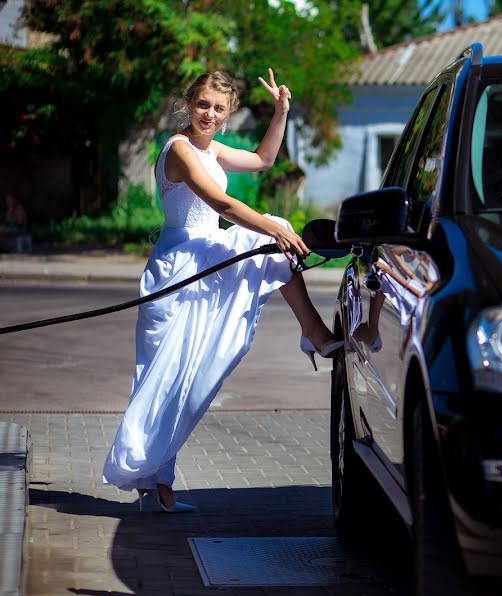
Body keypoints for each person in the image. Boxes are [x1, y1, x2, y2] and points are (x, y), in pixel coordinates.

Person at [101, 69, 342, 512]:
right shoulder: (179, 149)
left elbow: (265, 159)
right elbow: (221, 204)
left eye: (219, 108)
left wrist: (282, 110)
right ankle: (151, 480)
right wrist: (272, 228)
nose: (209, 114)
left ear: (229, 113)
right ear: (188, 104)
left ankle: (313, 331)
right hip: (179, 269)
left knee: (193, 375)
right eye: (203, 105)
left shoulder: (213, 149)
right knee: (164, 376)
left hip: (209, 255)